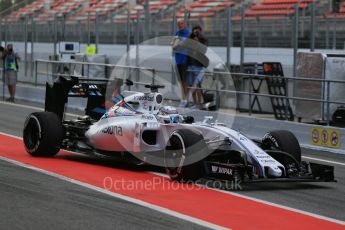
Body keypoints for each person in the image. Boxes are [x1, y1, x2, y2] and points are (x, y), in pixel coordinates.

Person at [186, 25, 208, 109]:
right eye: (195, 32)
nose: (196, 34)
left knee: (198, 84)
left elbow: (204, 50)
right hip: (190, 64)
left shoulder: (203, 40)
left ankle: (199, 102)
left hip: (199, 65)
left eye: (197, 32)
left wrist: (197, 41)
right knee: (191, 84)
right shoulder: (190, 40)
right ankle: (195, 102)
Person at [171, 19, 190, 107]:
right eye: (178, 24)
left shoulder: (188, 33)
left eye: (181, 23)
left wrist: (178, 44)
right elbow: (173, 45)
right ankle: (183, 99)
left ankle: (186, 99)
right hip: (178, 60)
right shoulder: (177, 33)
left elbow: (185, 44)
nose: (180, 25)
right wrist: (177, 44)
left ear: (184, 24)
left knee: (185, 81)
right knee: (181, 81)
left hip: (185, 60)